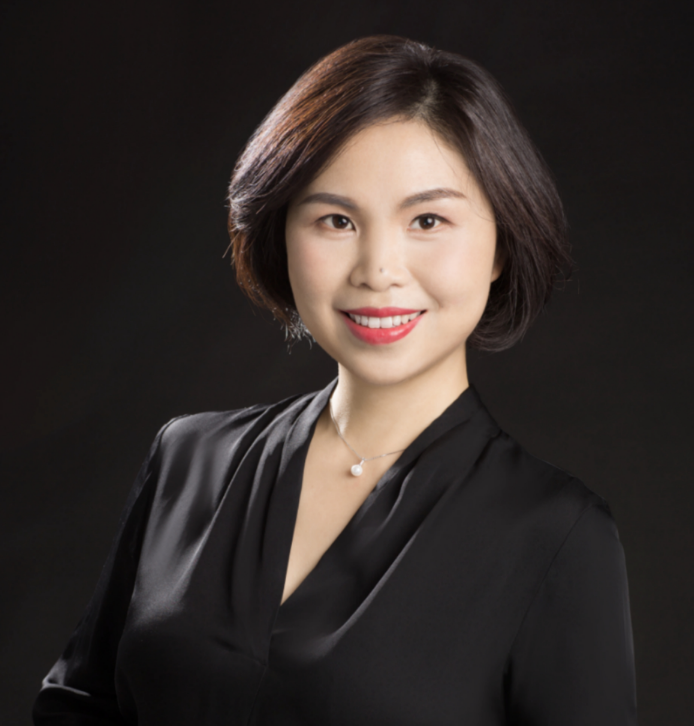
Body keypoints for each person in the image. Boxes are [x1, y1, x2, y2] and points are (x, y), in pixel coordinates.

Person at [33, 36, 637, 725]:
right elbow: (76, 706)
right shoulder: (187, 460)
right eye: (336, 220)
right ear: (282, 236)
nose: (377, 270)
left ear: (500, 244)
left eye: (428, 220)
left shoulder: (557, 533)